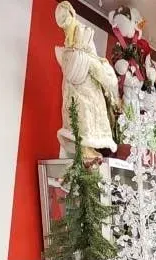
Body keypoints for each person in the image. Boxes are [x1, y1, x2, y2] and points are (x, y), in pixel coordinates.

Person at [54, 1, 119, 161]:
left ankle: (86, 151)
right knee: (81, 120)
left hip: (85, 94)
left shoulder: (84, 48)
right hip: (80, 96)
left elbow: (104, 76)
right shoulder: (75, 52)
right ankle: (84, 151)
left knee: (84, 121)